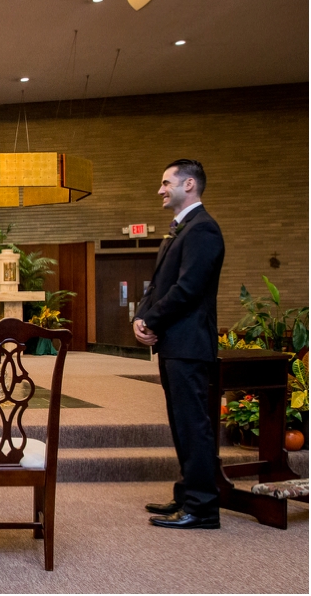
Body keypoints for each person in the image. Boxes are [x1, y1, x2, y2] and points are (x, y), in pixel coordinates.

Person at [133, 159, 224, 530]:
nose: (160, 189)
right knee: (180, 423)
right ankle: (187, 495)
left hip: (189, 344)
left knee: (194, 426)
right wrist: (140, 317)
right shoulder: (181, 230)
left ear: (189, 185)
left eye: (166, 182)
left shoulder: (203, 230)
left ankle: (202, 508)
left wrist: (152, 321)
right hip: (174, 342)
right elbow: (157, 286)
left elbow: (187, 290)